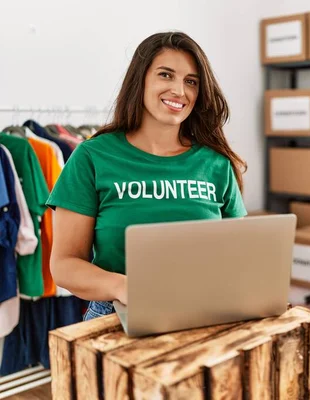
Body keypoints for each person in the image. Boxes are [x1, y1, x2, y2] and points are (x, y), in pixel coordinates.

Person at [47, 32, 247, 320]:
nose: (180, 90)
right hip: (117, 316)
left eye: (191, 81)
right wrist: (124, 287)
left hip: (203, 313)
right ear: (139, 80)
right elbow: (64, 265)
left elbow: (239, 256)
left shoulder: (216, 164)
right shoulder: (92, 157)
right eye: (166, 75)